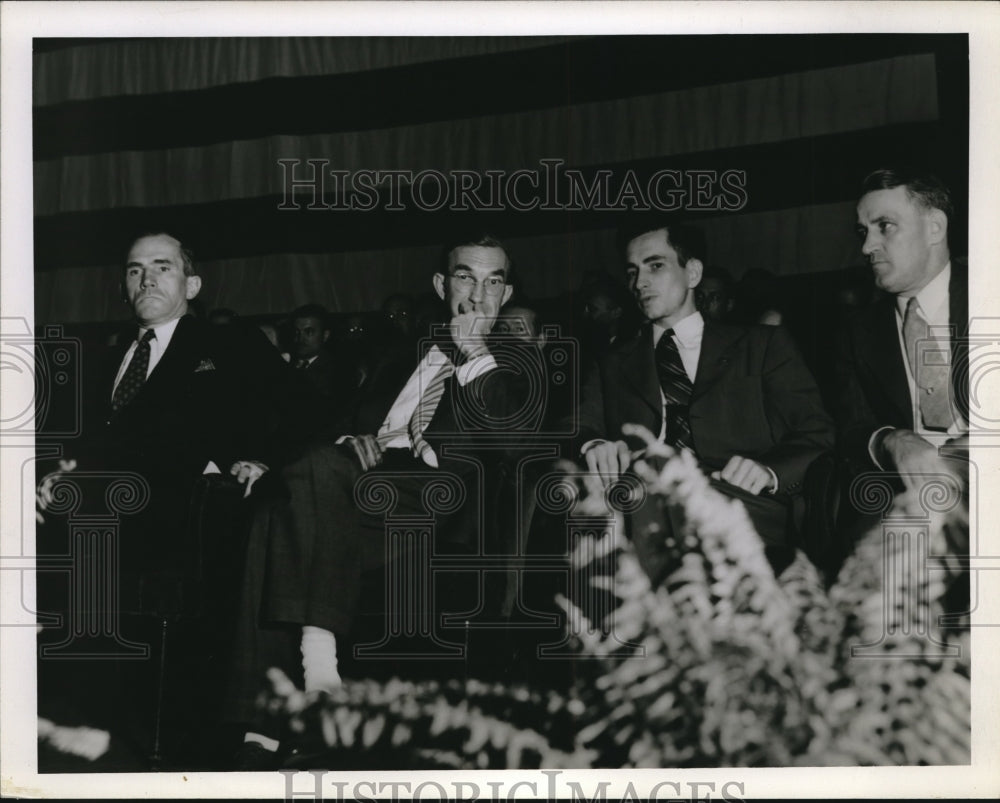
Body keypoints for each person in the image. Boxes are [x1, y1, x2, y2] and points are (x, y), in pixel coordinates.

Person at [225, 233, 529, 766]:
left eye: (493, 281)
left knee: (315, 477)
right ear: (441, 285)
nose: (479, 294)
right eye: (465, 277)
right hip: (358, 494)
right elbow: (335, 429)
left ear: (506, 294)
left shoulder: (519, 361)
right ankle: (265, 717)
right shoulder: (397, 358)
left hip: (439, 499)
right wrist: (289, 461)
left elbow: (510, 438)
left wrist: (475, 351)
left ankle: (320, 674)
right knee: (275, 505)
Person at [38, 232, 310, 768]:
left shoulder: (228, 346)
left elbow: (301, 410)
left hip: (176, 517)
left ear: (193, 283)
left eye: (162, 267)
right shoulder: (105, 358)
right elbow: (79, 440)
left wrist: (262, 457)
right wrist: (53, 470)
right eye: (135, 269)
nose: (147, 278)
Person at [576, 218, 834, 580]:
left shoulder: (761, 346)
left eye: (656, 265)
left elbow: (817, 433)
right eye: (632, 271)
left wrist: (768, 470)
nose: (640, 282)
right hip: (641, 505)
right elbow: (578, 426)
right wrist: (595, 444)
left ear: (693, 272)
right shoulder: (611, 363)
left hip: (740, 501)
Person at [834, 168, 968, 488]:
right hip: (908, 498)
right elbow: (850, 428)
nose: (867, 247)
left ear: (934, 227)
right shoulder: (855, 331)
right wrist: (891, 441)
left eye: (885, 226)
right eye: (863, 231)